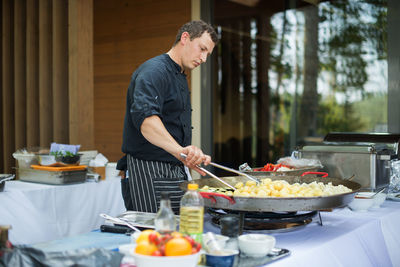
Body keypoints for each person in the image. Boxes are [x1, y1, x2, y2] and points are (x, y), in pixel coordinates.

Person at [119, 20, 218, 214]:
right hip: (147, 171)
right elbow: (146, 121)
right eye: (202, 49)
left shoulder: (179, 74)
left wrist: (188, 156)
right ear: (185, 38)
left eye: (208, 54)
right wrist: (181, 152)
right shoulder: (154, 71)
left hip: (174, 171)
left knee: (175, 235)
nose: (204, 58)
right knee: (153, 235)